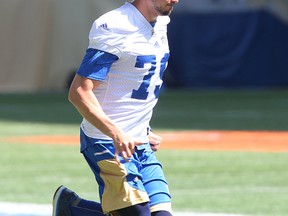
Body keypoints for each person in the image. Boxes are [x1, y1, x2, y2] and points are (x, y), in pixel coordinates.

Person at [52, 0, 179, 215]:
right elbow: (80, 91)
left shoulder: (160, 23)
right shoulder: (116, 25)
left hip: (137, 140)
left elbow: (131, 86)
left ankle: (72, 209)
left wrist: (143, 128)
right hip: (106, 140)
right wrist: (117, 133)